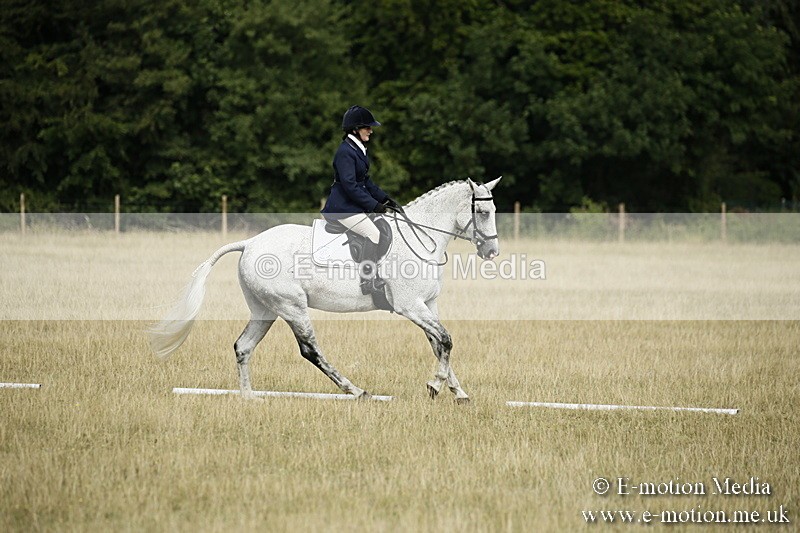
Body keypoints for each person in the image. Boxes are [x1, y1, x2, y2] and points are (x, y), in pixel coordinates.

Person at [321, 105, 403, 296]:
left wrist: (385, 199)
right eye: (367, 127)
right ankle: (367, 281)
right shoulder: (345, 152)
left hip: (352, 206)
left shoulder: (357, 149)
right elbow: (350, 186)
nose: (371, 131)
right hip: (342, 208)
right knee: (373, 234)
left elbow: (365, 181)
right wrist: (374, 205)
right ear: (355, 129)